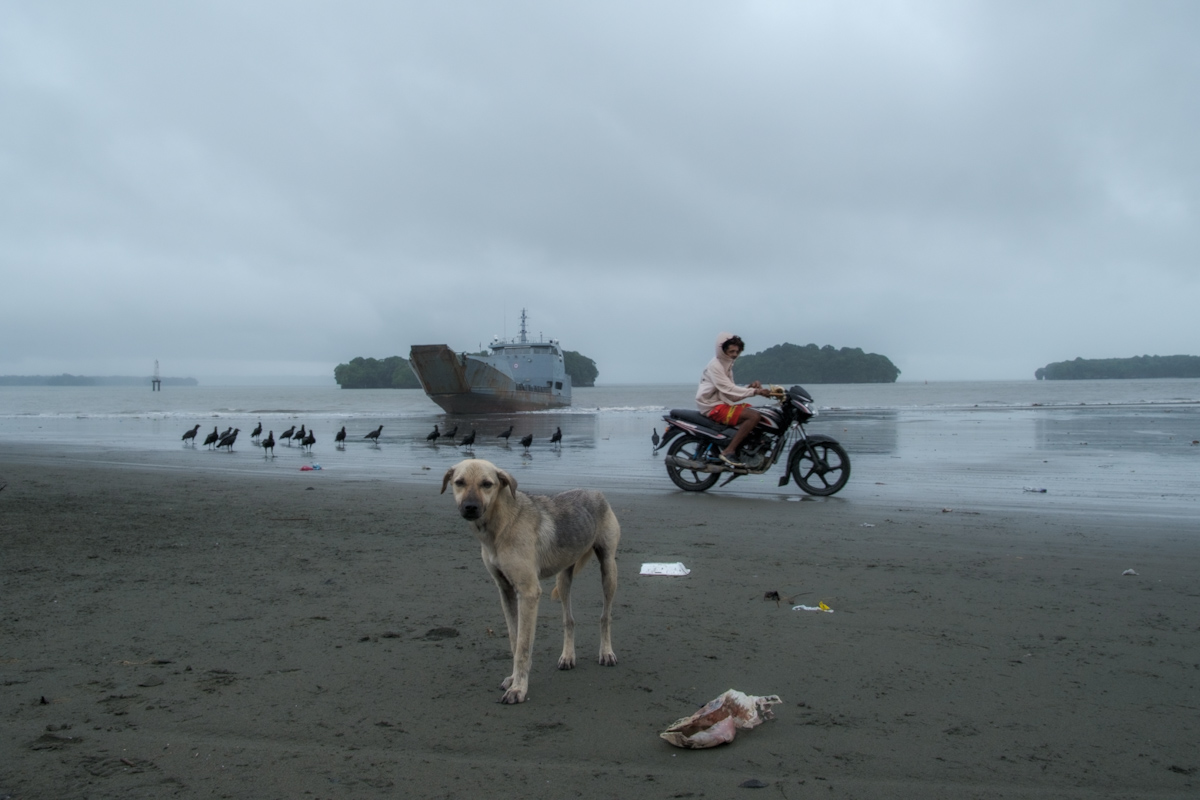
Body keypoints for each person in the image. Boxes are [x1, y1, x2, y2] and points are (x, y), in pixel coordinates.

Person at [696, 332, 772, 467]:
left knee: (758, 411)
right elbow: (728, 388)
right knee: (753, 416)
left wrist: (750, 389)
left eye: (737, 351)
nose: (735, 355)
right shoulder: (715, 366)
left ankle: (747, 447)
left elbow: (731, 395)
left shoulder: (727, 366)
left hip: (722, 403)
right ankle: (728, 451)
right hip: (712, 406)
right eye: (731, 351)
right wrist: (756, 391)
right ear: (722, 350)